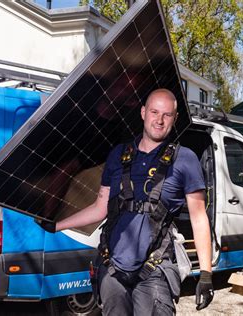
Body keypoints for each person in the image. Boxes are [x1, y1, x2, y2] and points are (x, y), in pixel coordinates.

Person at [37, 88, 214, 315]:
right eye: (154, 112)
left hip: (155, 269)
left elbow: (199, 218)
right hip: (113, 269)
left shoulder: (185, 159)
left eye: (167, 115)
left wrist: (207, 274)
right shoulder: (118, 155)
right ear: (143, 113)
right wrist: (57, 225)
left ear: (175, 118)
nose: (159, 120)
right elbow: (100, 208)